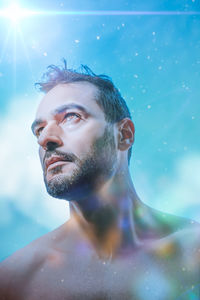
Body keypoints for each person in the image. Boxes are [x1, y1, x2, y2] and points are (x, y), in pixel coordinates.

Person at [0, 62, 200, 300]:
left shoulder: (192, 252)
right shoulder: (16, 279)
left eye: (71, 117)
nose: (46, 139)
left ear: (124, 135)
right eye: (39, 130)